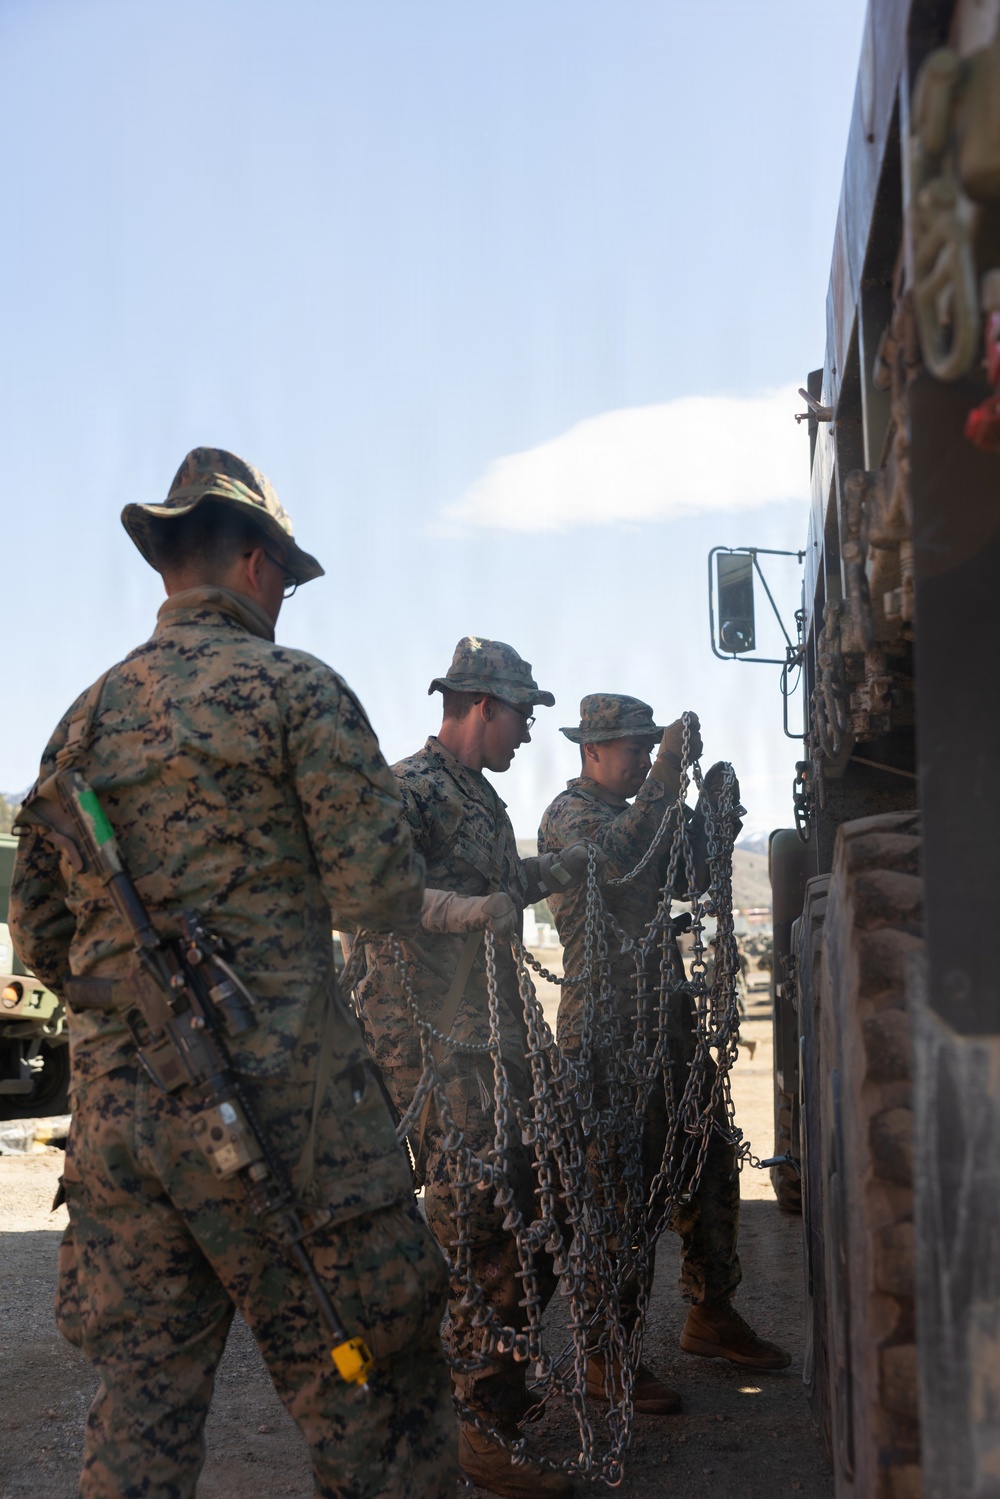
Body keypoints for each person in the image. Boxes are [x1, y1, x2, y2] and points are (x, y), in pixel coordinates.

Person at [8, 448, 457, 1499]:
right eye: (286, 580)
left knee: (141, 1413)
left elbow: (38, 932)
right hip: (285, 1122)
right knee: (378, 1401)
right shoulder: (298, 691)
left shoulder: (82, 719)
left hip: (123, 1133)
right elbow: (376, 892)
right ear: (258, 565)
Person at [355, 637, 597, 1499]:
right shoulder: (410, 788)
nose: (529, 733)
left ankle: (492, 1387)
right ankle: (477, 1421)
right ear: (482, 706)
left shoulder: (479, 798)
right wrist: (458, 910)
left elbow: (493, 885)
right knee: (482, 1222)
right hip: (431, 1042)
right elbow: (363, 892)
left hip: (492, 1037)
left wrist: (549, 871)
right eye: (523, 715)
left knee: (541, 1197)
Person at [538, 694, 790, 1380]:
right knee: (622, 1186)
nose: (645, 759)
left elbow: (692, 876)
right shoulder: (570, 816)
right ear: (591, 749)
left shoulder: (643, 810)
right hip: (607, 1033)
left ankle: (711, 1312)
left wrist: (713, 816)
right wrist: (671, 769)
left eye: (652, 747)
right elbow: (619, 860)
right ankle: (605, 1350)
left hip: (666, 1024)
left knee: (709, 1158)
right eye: (635, 748)